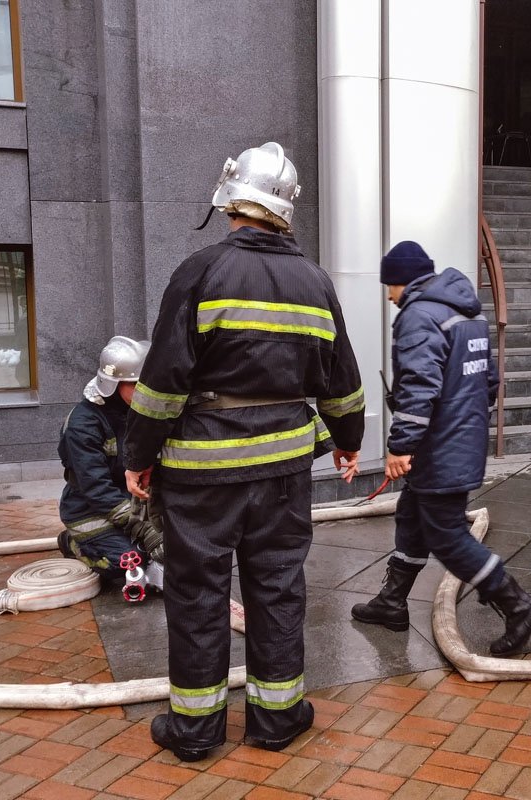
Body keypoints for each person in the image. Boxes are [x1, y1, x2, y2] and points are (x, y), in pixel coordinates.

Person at [122, 142, 365, 762]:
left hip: (202, 475)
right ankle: (278, 719)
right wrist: (348, 443)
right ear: (286, 209)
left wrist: (137, 454)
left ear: (231, 199)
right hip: (283, 471)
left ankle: (196, 732)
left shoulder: (200, 272)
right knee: (278, 590)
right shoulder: (315, 283)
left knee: (198, 596)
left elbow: (162, 381)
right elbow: (342, 380)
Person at [351, 241, 531, 657]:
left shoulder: (419, 316)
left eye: (390, 286)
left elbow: (419, 387)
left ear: (403, 281)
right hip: (457, 441)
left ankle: (519, 607)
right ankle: (391, 602)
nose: (389, 296)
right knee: (411, 516)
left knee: (447, 536)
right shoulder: (468, 315)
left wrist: (400, 446)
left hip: (439, 447)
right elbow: (489, 383)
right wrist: (460, 421)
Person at [57, 335, 162, 583]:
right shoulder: (82, 425)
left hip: (133, 506)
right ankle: (72, 543)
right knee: (130, 562)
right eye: (135, 384)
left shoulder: (137, 412)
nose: (144, 391)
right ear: (112, 383)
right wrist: (144, 529)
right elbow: (96, 489)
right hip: (89, 512)